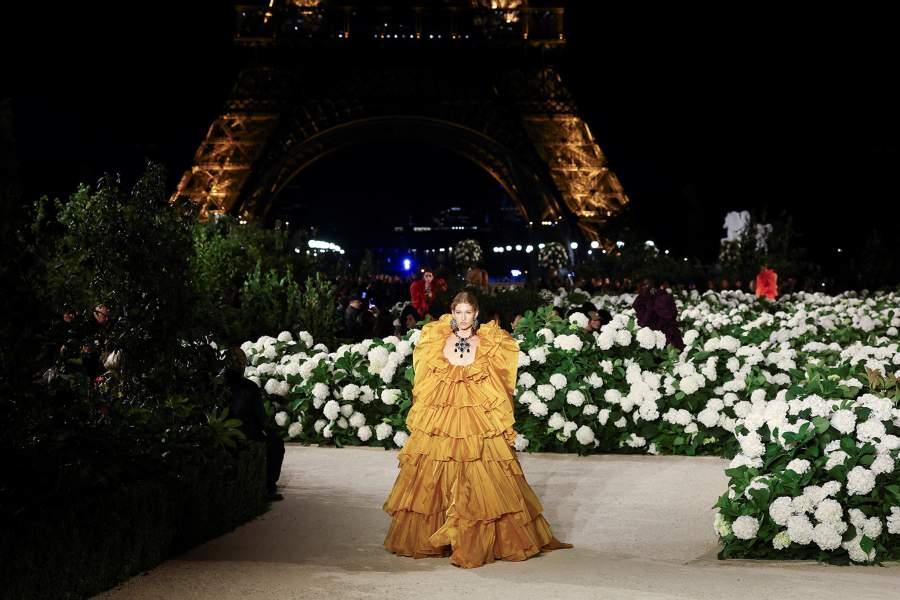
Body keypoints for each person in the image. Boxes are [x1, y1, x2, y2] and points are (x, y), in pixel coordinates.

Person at [383, 291, 572, 568]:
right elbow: (424, 382)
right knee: (435, 470)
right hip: (444, 418)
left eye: (467, 313)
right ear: (452, 313)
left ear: (476, 314)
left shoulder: (490, 343)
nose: (462, 318)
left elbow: (500, 382)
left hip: (476, 420)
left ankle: (482, 537)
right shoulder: (435, 340)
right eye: (458, 312)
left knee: (483, 475)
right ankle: (437, 535)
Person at [222, 347, 285, 502]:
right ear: (242, 366)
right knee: (276, 443)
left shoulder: (215, 384)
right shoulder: (249, 386)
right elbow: (261, 419)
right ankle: (269, 487)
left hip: (218, 430)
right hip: (244, 432)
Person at [632, 278, 684, 350]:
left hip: (665, 331)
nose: (645, 287)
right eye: (644, 285)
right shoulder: (641, 299)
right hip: (650, 334)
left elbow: (671, 314)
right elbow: (642, 317)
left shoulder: (663, 297)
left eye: (647, 285)